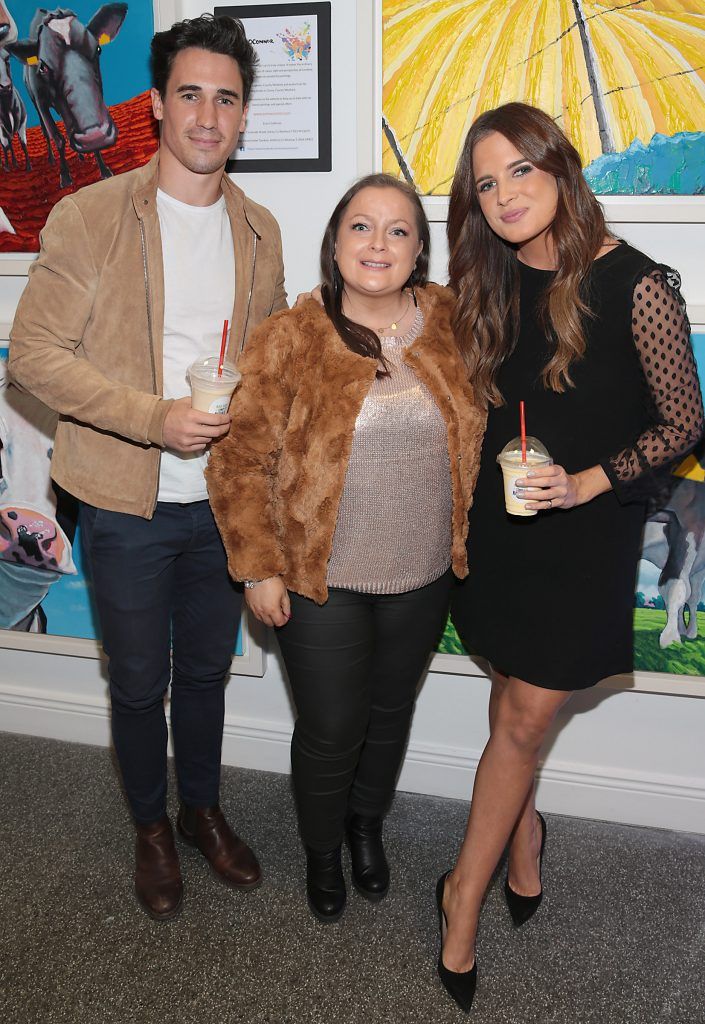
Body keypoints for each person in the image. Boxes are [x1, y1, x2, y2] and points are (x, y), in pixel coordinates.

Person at [9, 14, 286, 922]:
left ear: (243, 116)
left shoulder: (260, 230)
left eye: (227, 98)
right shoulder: (89, 215)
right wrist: (153, 419)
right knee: (137, 681)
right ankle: (150, 828)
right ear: (160, 104)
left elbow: (269, 363)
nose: (208, 115)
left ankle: (200, 809)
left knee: (207, 673)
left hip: (221, 505)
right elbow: (34, 356)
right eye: (191, 94)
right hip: (122, 498)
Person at [435, 102, 704, 1013]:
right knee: (512, 695)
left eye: (519, 170)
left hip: (585, 531)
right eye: (484, 183)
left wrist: (591, 482)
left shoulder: (635, 283)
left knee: (523, 715)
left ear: (558, 167)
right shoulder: (487, 280)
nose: (504, 194)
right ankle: (520, 838)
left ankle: (457, 898)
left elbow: (685, 421)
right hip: (501, 524)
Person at [206, 173, 486, 922]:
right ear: (335, 241)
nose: (378, 243)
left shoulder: (451, 322)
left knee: (390, 712)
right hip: (316, 577)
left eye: (397, 230)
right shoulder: (291, 336)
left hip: (423, 572)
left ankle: (366, 826)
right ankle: (322, 850)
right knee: (332, 730)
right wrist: (256, 568)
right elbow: (239, 460)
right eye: (361, 226)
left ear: (419, 248)